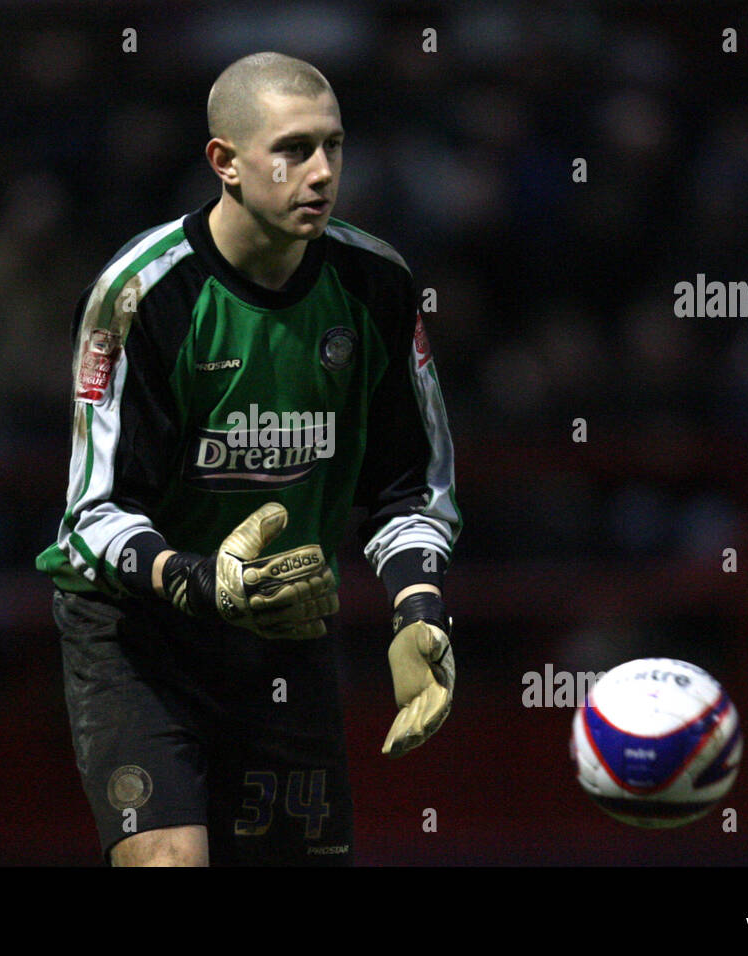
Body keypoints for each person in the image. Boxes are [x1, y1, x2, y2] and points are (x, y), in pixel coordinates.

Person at [37, 51, 461, 866]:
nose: (322, 172)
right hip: (138, 633)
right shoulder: (141, 294)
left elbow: (411, 486)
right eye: (293, 149)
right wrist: (198, 580)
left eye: (334, 147)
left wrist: (417, 607)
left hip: (283, 624)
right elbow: (93, 514)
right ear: (224, 162)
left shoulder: (378, 284)